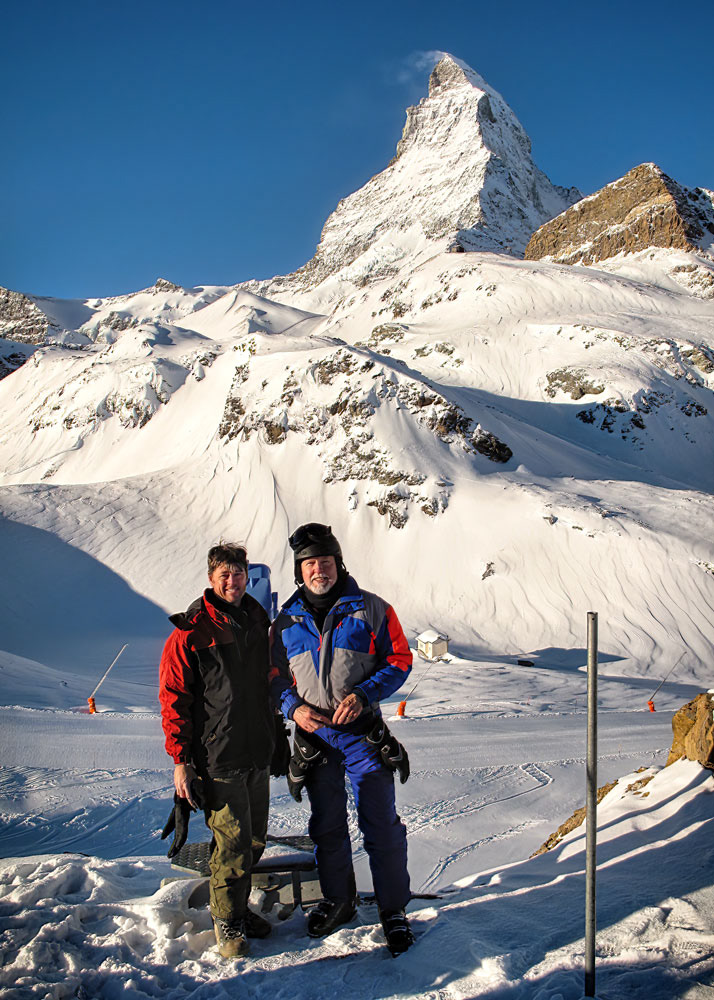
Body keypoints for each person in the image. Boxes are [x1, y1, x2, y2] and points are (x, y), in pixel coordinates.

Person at [269, 523, 415, 955]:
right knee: (327, 826)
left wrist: (364, 693)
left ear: (339, 564)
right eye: (310, 564)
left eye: (326, 562)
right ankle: (338, 901)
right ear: (300, 571)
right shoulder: (285, 622)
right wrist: (292, 708)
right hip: (315, 739)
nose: (319, 570)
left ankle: (393, 911)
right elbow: (273, 676)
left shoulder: (372, 609)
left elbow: (400, 659)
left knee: (381, 825)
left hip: (361, 735)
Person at [159, 543, 275, 959]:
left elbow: (267, 685)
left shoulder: (258, 621)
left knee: (256, 839)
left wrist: (276, 738)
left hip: (255, 750)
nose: (232, 581)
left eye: (239, 573)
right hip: (217, 757)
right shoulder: (192, 632)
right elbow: (174, 701)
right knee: (232, 843)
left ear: (248, 575)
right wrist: (182, 762)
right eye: (224, 574)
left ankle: (237, 907)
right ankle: (227, 922)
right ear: (211, 578)